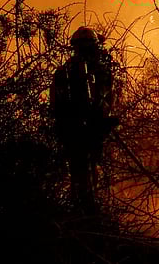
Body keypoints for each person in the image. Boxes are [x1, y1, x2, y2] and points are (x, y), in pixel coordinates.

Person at [50, 26, 121, 213]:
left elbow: (55, 107)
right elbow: (105, 103)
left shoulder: (63, 72)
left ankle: (83, 210)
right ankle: (88, 213)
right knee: (88, 173)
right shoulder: (100, 72)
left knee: (80, 173)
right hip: (83, 133)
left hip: (75, 133)